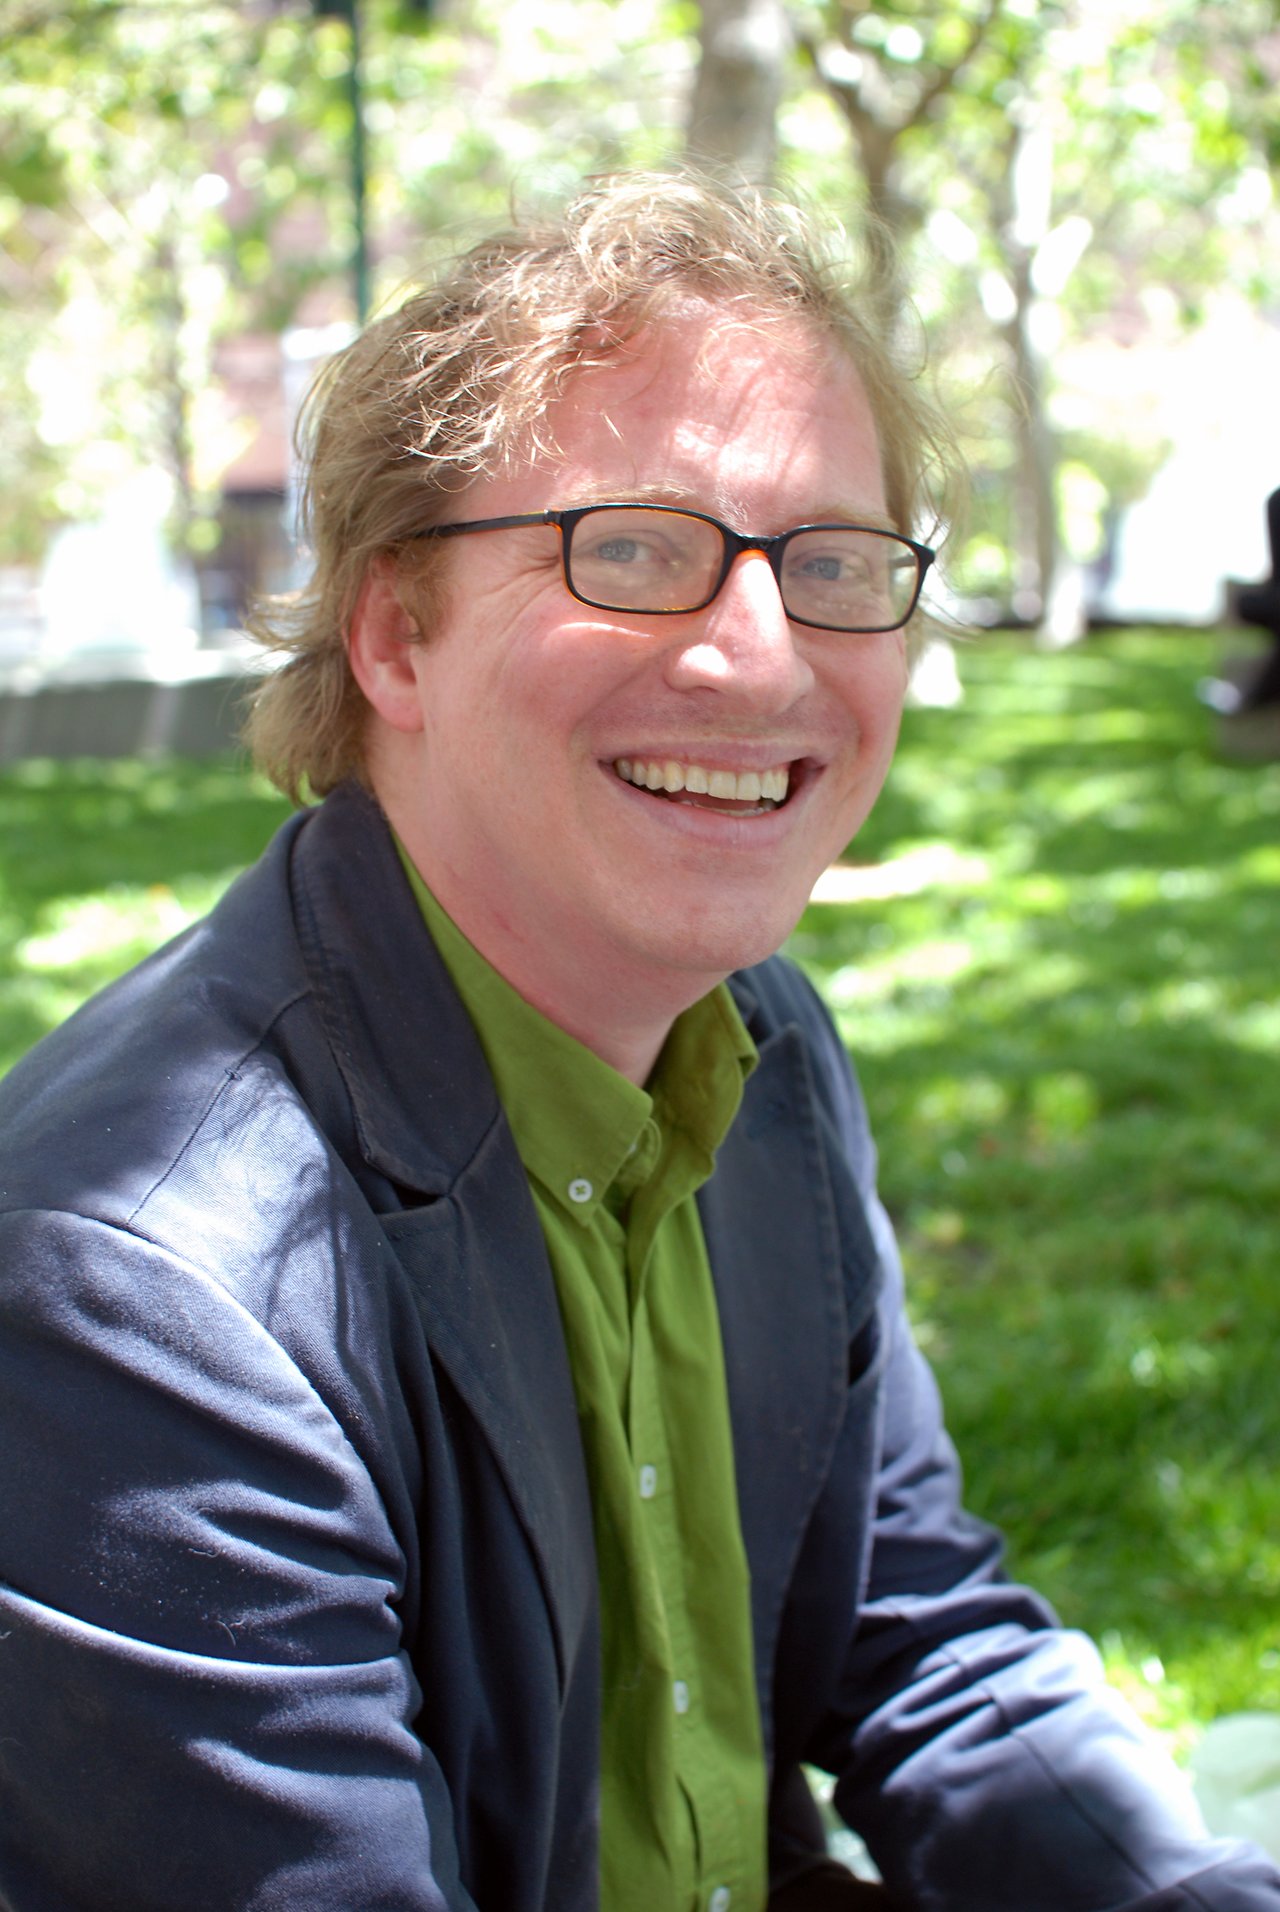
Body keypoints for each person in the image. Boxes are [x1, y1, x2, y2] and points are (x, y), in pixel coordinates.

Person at [0, 173, 1275, 1912]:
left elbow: (922, 1648)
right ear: (395, 634)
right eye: (638, 552)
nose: (760, 657)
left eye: (831, 565)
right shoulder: (148, 1292)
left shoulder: (758, 1056)